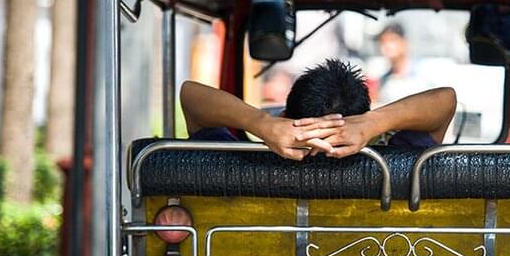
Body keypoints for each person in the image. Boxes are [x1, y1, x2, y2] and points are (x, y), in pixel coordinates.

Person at [180, 59, 456, 161]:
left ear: (284, 118)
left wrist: (262, 123)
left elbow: (190, 95)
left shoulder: (241, 165)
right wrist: (373, 123)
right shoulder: (394, 165)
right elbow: (446, 100)